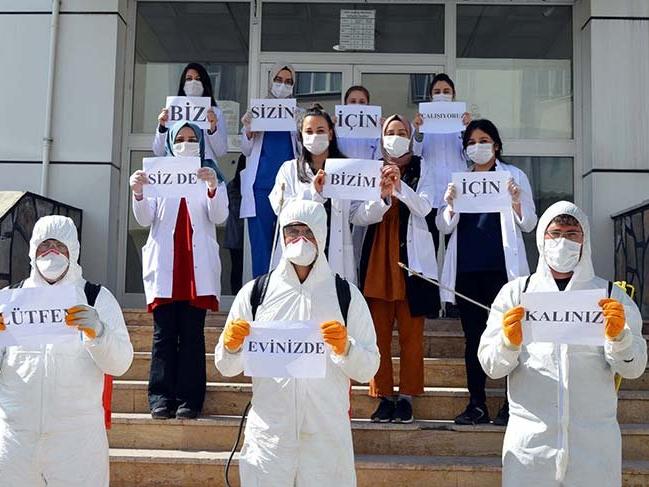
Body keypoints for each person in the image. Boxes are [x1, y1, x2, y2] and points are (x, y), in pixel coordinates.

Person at [478, 201, 647, 486]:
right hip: (531, 447)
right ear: (542, 238)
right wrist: (508, 343)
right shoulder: (516, 293)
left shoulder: (610, 296)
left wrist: (621, 339)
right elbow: (491, 367)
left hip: (594, 448)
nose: (562, 242)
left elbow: (634, 368)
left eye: (571, 234)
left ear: (584, 240)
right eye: (555, 233)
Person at [215, 199, 380, 486]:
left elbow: (369, 368)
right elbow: (226, 367)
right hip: (270, 436)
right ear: (282, 235)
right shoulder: (256, 293)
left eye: (308, 231)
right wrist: (231, 347)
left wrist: (347, 348)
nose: (300, 239)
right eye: (293, 231)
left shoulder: (346, 295)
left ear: (322, 235)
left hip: (325, 436)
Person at [0, 215, 134, 486]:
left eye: (60, 246)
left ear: (73, 250)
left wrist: (99, 333)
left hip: (77, 441)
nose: (52, 252)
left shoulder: (96, 298)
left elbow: (120, 363)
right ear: (32, 250)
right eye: (45, 245)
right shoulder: (9, 300)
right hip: (15, 439)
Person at [437, 119, 537, 426]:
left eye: (483, 141)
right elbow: (444, 226)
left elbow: (529, 223)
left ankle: (510, 404)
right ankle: (477, 403)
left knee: (510, 335)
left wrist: (516, 201)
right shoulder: (460, 180)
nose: (477, 147)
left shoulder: (513, 176)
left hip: (501, 272)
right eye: (471, 142)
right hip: (468, 270)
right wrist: (450, 204)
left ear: (496, 145)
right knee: (474, 338)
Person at [130, 121, 228, 420]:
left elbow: (219, 216)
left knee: (192, 335)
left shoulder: (210, 174)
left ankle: (190, 400)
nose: (186, 143)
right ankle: (160, 397)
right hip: (166, 267)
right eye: (180, 138)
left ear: (201, 143)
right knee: (164, 335)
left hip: (196, 271)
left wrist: (212, 188)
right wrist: (139, 193)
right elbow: (145, 218)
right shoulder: (159, 174)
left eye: (192, 138)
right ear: (171, 144)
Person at [360, 114, 440, 424]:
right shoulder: (370, 169)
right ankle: (383, 396)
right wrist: (382, 195)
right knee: (377, 336)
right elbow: (360, 216)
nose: (396, 137)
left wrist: (400, 186)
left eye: (402, 131)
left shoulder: (423, 167)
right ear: (382, 138)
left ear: (410, 136)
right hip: (378, 261)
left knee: (411, 337)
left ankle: (406, 396)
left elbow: (425, 207)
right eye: (391, 132)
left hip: (412, 265)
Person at [270, 104, 392, 284]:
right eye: (309, 131)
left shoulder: (346, 168)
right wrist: (314, 193)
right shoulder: (289, 170)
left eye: (320, 130)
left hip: (334, 254)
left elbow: (356, 215)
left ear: (330, 134)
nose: (314, 136)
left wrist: (380, 198)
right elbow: (282, 210)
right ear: (301, 136)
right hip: (299, 253)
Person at [240, 63, 301, 277]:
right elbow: (246, 149)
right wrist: (248, 130)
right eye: (279, 80)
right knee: (262, 247)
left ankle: (284, 290)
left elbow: (303, 151)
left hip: (289, 188)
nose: (283, 85)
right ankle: (262, 291)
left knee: (289, 243)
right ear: (271, 82)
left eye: (288, 81)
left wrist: (301, 130)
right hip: (260, 187)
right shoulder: (257, 112)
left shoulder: (298, 114)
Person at [412, 73, 472, 252]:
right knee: (429, 247)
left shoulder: (462, 123)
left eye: (446, 91)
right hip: (430, 192)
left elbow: (469, 156)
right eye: (437, 91)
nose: (442, 94)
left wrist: (467, 130)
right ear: (431, 96)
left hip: (455, 192)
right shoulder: (423, 122)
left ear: (453, 94)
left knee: (455, 246)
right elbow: (416, 152)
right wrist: (419, 130)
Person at [153, 62, 228, 163]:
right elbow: (158, 151)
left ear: (204, 83)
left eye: (198, 79)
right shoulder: (172, 110)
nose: (193, 82)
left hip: (204, 167)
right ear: (183, 83)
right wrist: (162, 127)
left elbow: (221, 151)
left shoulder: (215, 112)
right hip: (175, 167)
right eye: (189, 79)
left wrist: (212, 129)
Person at [336, 85, 381, 160]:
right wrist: (328, 125)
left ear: (368, 105)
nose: (357, 105)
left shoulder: (375, 128)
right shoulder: (336, 127)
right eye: (353, 102)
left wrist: (385, 129)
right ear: (345, 104)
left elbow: (379, 156)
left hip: (368, 167)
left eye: (362, 102)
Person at [224, 154, 246, 294]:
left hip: (234, 235)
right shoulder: (234, 187)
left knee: (237, 269)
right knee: (238, 268)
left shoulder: (232, 185)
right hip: (237, 234)